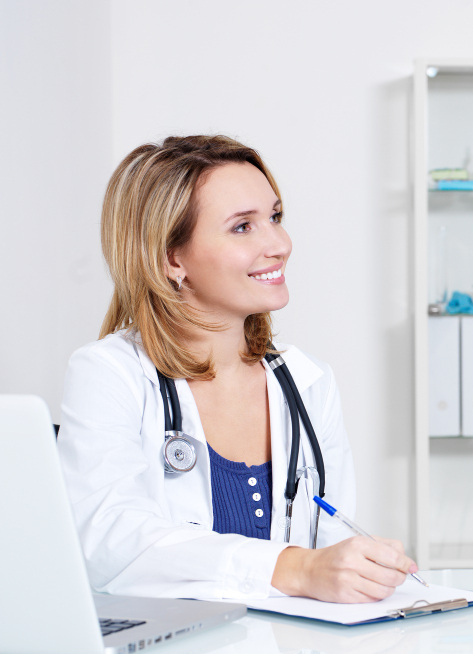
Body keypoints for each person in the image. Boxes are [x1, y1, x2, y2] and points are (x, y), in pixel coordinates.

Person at [58, 135, 418, 602]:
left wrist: (359, 573)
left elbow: (327, 547)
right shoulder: (110, 374)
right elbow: (110, 543)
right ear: (172, 258)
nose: (280, 244)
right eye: (243, 227)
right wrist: (296, 568)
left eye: (275, 217)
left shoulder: (308, 383)